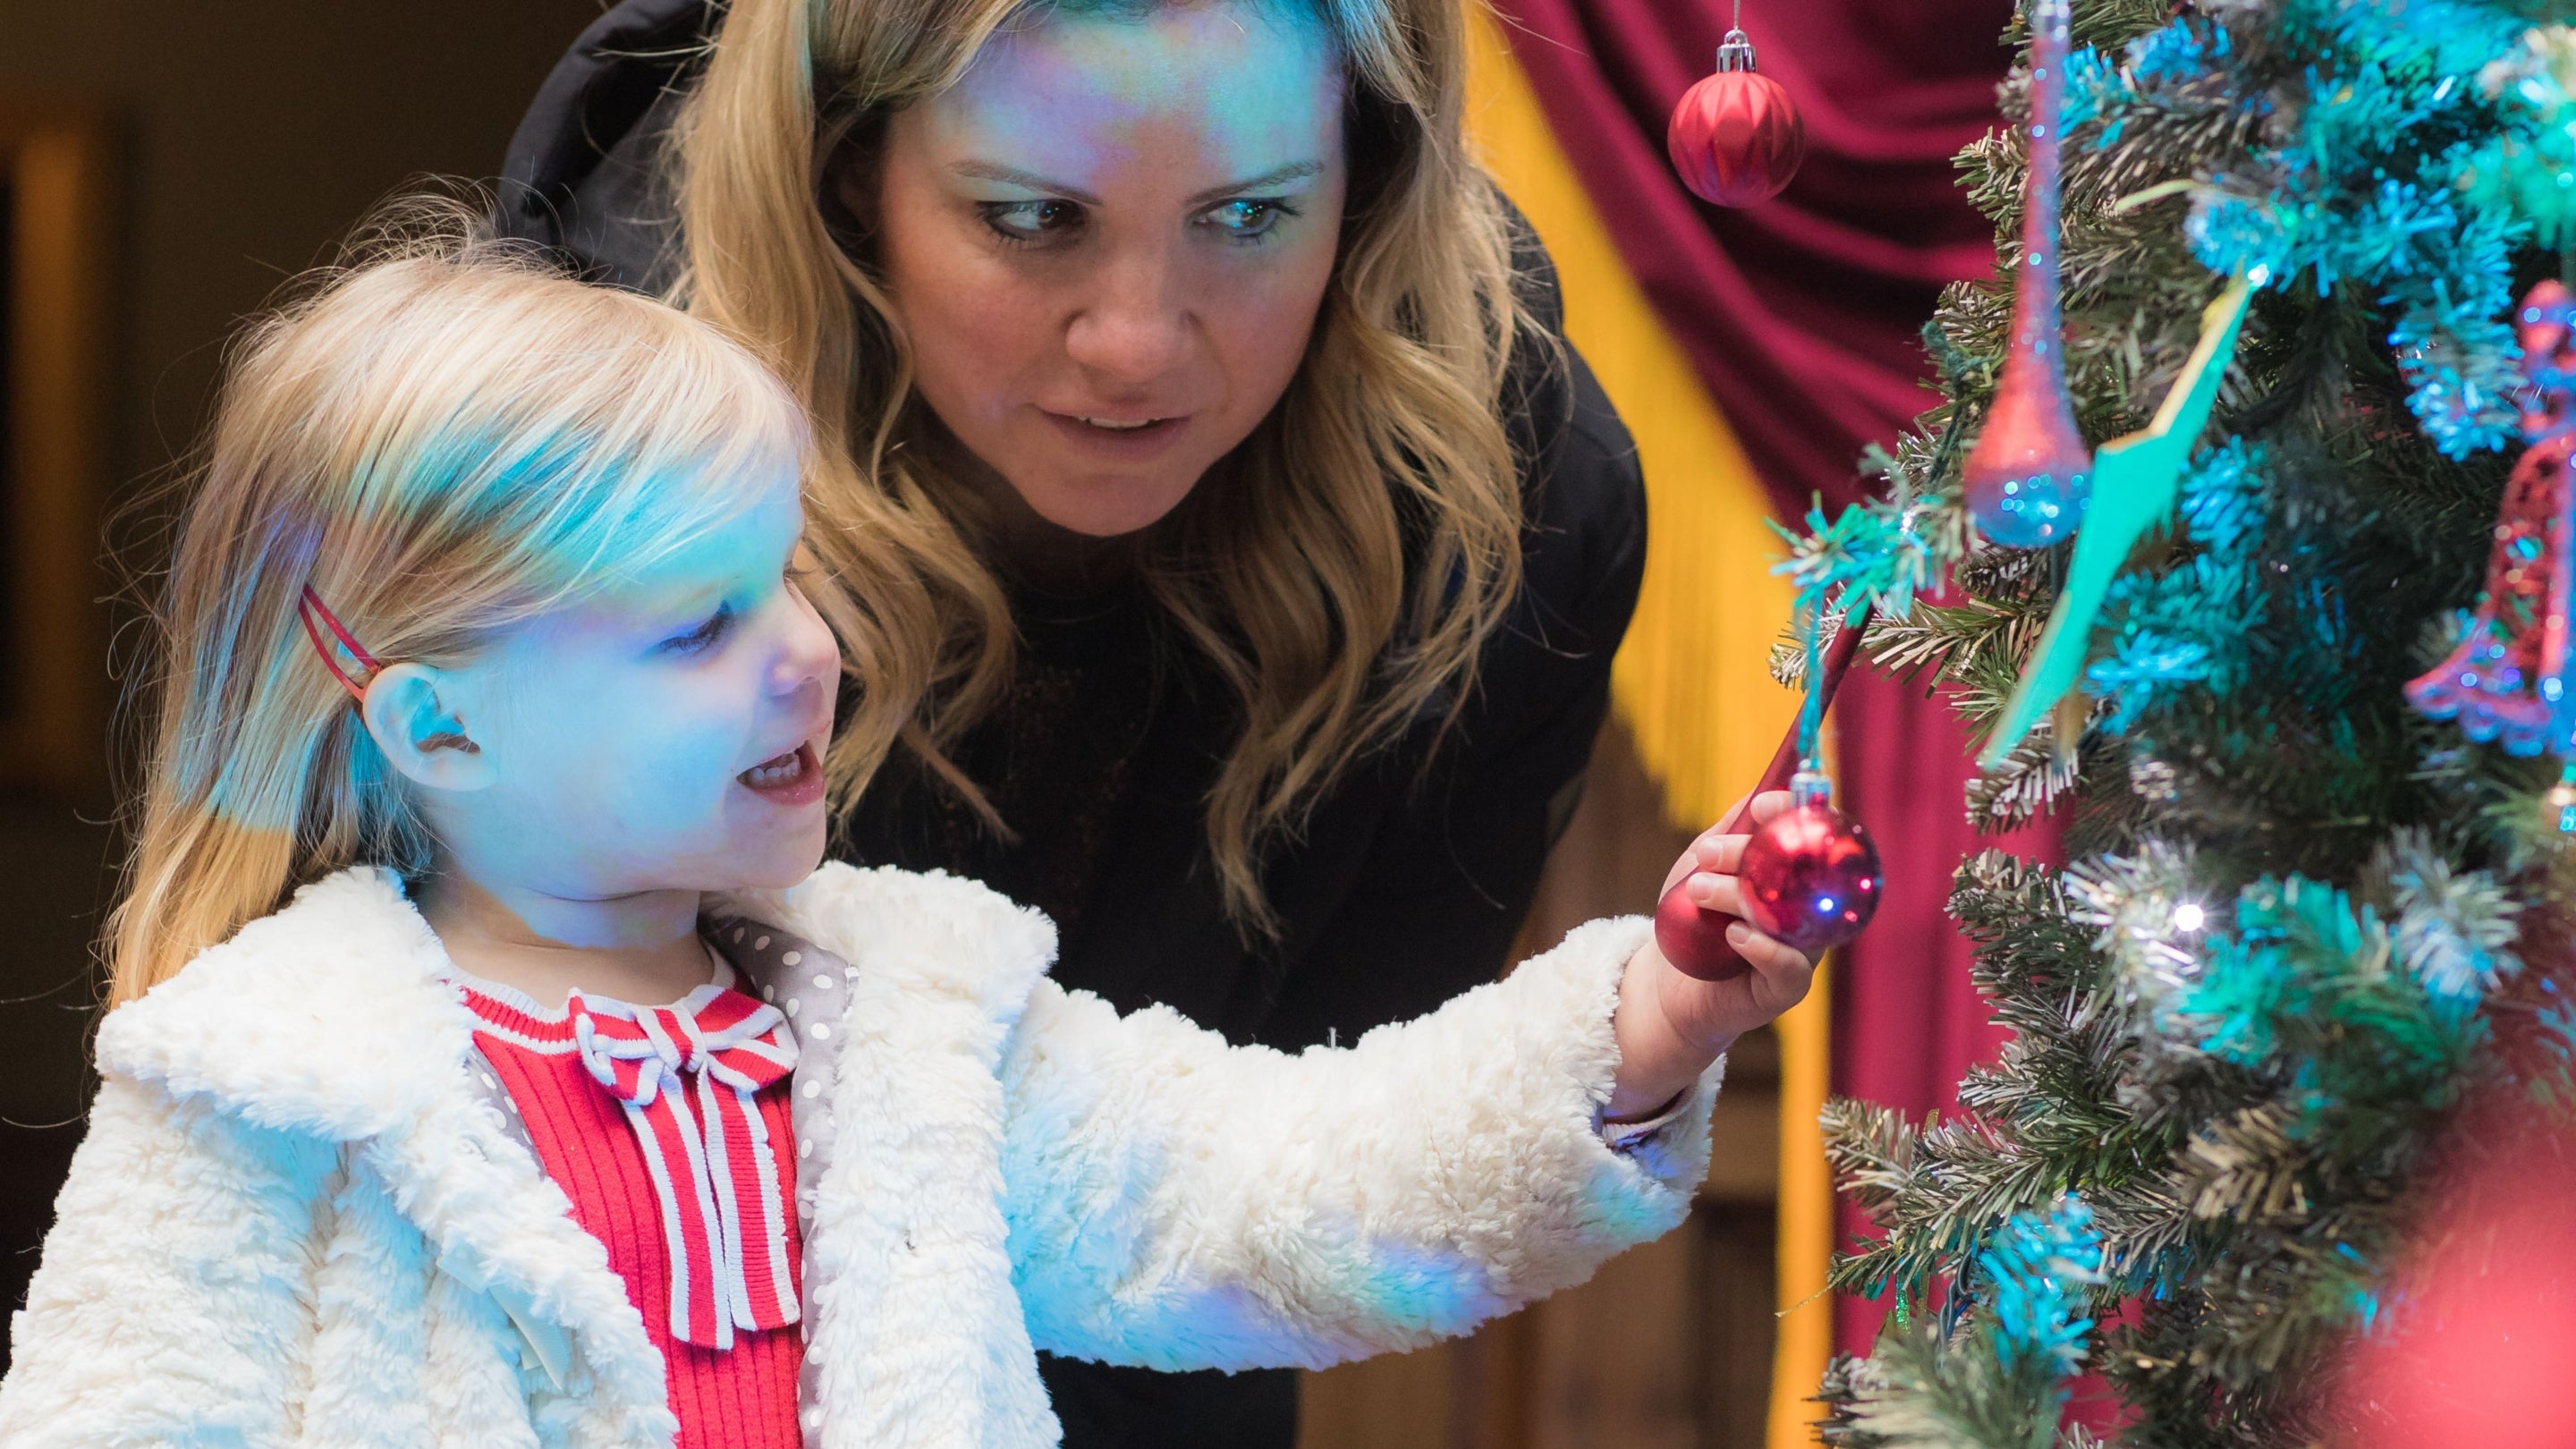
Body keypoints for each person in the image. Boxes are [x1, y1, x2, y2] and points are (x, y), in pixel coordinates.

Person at [0, 233, 1811, 1449]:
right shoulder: (258, 1091)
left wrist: (1644, 1022)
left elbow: (1265, 1192)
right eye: (696, 625)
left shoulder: (914, 1022)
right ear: (441, 723)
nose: (812, 647)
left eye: (784, 570)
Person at [500, 0, 1648, 1435]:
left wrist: (1638, 1040)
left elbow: (1308, 1164)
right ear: (851, 172)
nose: (1134, 345)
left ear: (1366, 180)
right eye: (1034, 217)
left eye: (1247, 218)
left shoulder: (1514, 516)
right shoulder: (560, 463)